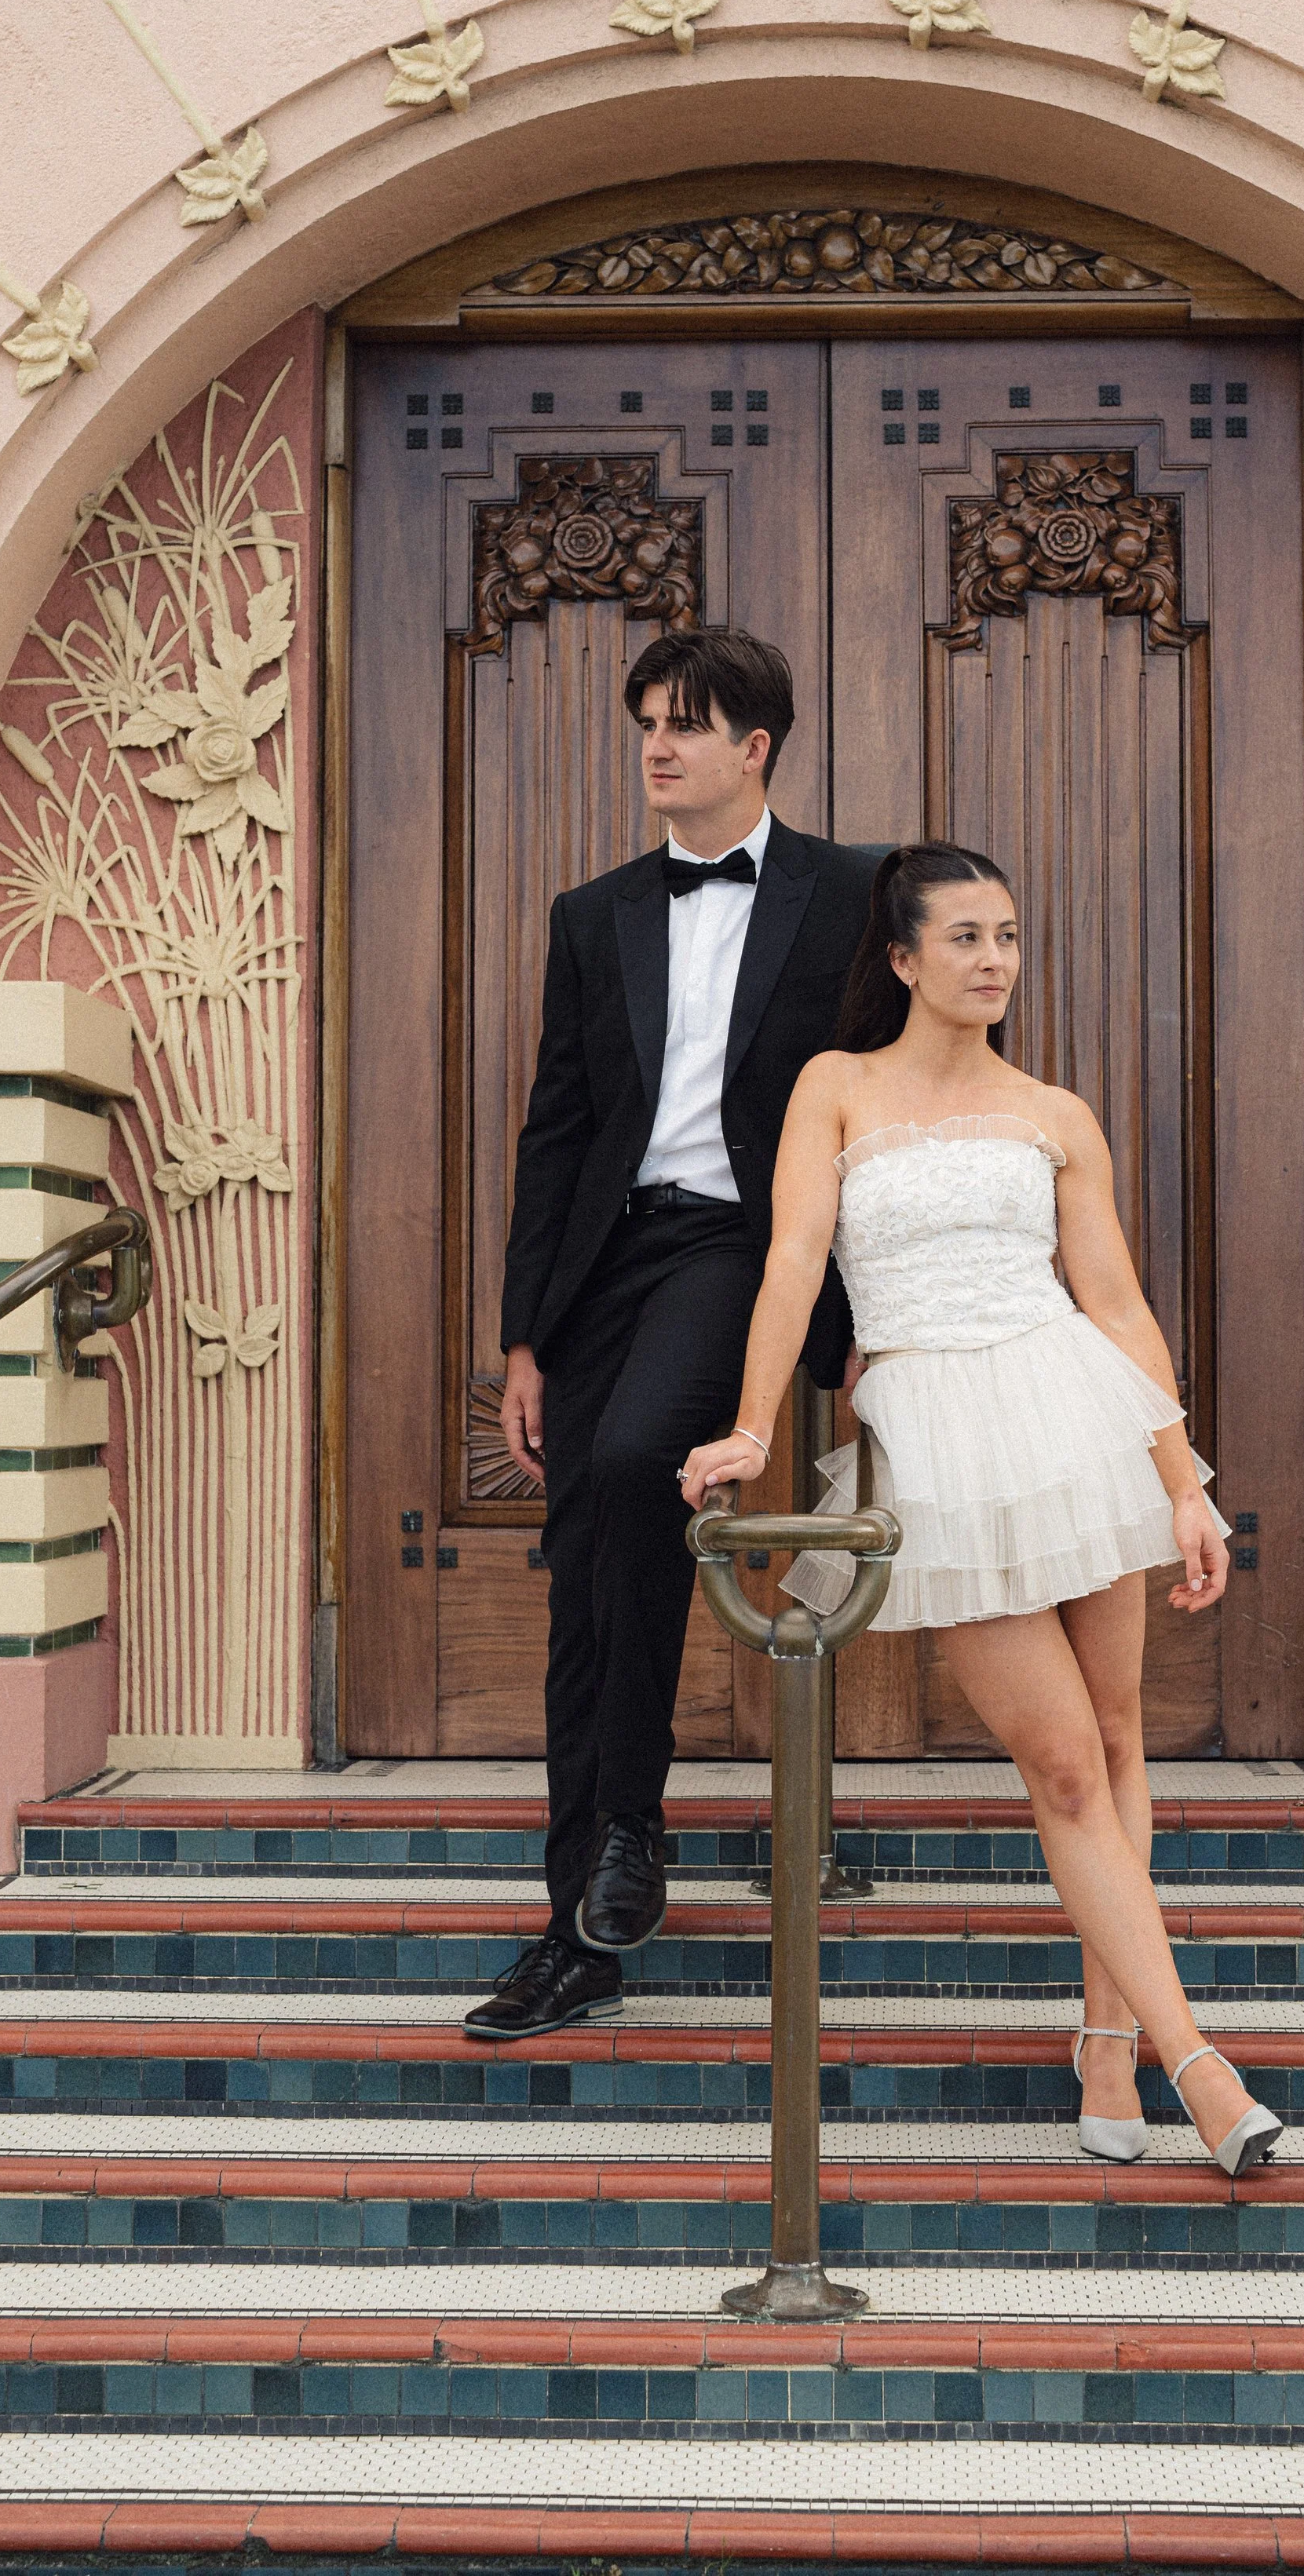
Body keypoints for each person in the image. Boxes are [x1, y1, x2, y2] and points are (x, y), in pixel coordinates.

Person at [681, 841, 1281, 2174]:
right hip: (936, 1430)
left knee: (1121, 1740)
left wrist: (1185, 1483)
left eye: (1006, 934)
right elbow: (789, 1261)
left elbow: (1117, 1306)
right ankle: (1204, 2065)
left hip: (1073, 1414)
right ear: (901, 957)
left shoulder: (1057, 1112)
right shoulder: (834, 1089)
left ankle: (1112, 2038)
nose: (992, 958)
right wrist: (754, 1426)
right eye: (962, 936)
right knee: (1062, 1760)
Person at [464, 630, 878, 2041]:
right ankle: (579, 1924)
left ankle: (637, 1829)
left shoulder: (852, 891)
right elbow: (556, 1126)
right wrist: (526, 1335)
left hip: (740, 1246)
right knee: (584, 1573)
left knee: (645, 1458)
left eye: (686, 725)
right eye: (646, 719)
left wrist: (868, 1310)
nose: (657, 745)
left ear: (756, 747)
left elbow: (896, 1092)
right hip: (603, 1260)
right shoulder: (597, 913)